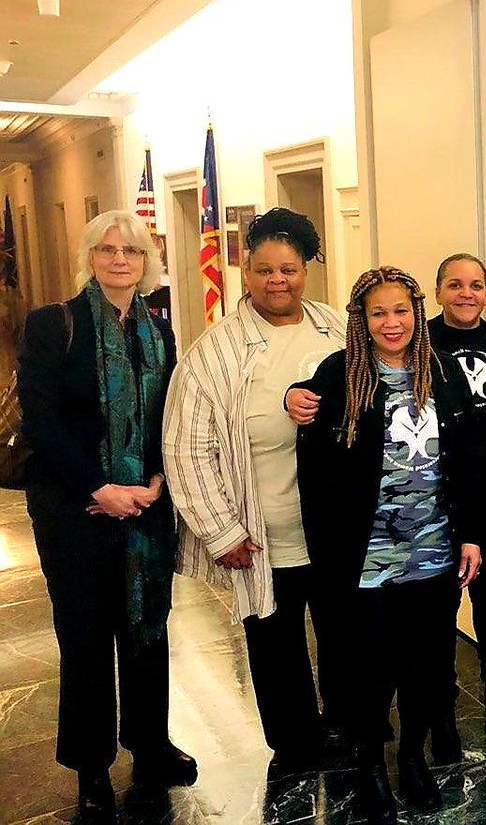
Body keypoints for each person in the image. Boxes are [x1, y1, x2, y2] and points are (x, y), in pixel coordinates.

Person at [18, 211, 194, 820]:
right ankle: (91, 765)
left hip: (143, 504)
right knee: (86, 635)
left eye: (132, 251)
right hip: (75, 507)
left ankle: (150, 745)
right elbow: (41, 420)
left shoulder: (159, 330)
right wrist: (99, 486)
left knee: (147, 625)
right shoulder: (52, 324)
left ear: (147, 261)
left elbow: (168, 411)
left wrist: (156, 479)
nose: (121, 260)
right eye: (108, 249)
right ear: (89, 257)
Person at [293, 267, 482, 821]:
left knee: (427, 664)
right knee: (370, 669)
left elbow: (469, 460)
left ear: (416, 313)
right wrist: (329, 548)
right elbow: (314, 467)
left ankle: (413, 755)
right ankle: (371, 762)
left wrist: (471, 533)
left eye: (401, 310)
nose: (391, 323)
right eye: (379, 313)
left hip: (434, 550)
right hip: (366, 557)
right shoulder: (339, 374)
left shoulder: (442, 371)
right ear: (362, 319)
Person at [162, 207, 345, 776]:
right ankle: (295, 744)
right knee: (275, 643)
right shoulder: (213, 352)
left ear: (306, 269)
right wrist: (221, 532)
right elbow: (186, 450)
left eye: (289, 269)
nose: (277, 281)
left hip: (335, 530)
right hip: (264, 535)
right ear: (246, 270)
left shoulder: (336, 328)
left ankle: (346, 725)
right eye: (265, 270)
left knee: (343, 633)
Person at [427, 252, 486, 740]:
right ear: (438, 291)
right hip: (438, 499)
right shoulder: (419, 343)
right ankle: (440, 702)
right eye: (455, 284)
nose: (467, 294)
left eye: (476, 285)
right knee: (439, 604)